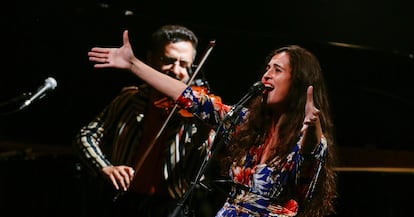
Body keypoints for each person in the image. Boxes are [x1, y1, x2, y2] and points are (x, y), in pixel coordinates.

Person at [87, 30, 338, 217]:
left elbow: (308, 153)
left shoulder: (308, 137)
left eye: (277, 70)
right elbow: (189, 97)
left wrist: (312, 125)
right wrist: (133, 64)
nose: (266, 75)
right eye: (267, 68)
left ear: (299, 82)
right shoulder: (246, 124)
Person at [75, 25, 225, 217]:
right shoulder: (129, 98)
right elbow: (85, 136)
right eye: (168, 61)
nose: (176, 71)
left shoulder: (198, 108)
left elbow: (195, 172)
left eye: (184, 64)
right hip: (121, 200)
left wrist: (203, 136)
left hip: (170, 207)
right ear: (150, 59)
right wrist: (105, 167)